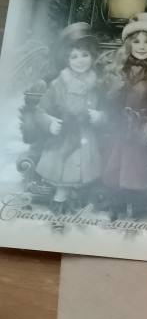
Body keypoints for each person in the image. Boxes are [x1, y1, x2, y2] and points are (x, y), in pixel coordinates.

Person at [102, 13, 147, 219]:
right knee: (115, 166)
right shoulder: (120, 69)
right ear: (129, 44)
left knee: (136, 169)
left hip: (142, 129)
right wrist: (112, 89)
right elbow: (109, 101)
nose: (141, 47)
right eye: (136, 41)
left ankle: (134, 205)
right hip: (120, 127)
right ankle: (116, 203)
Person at [35, 22, 104, 214]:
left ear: (92, 56)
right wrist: (50, 122)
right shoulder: (59, 83)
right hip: (64, 137)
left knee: (79, 179)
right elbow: (40, 110)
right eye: (74, 56)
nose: (80, 61)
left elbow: (109, 110)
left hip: (87, 138)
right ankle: (58, 211)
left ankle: (74, 210)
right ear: (67, 59)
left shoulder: (98, 83)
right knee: (63, 183)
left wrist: (99, 116)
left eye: (85, 55)